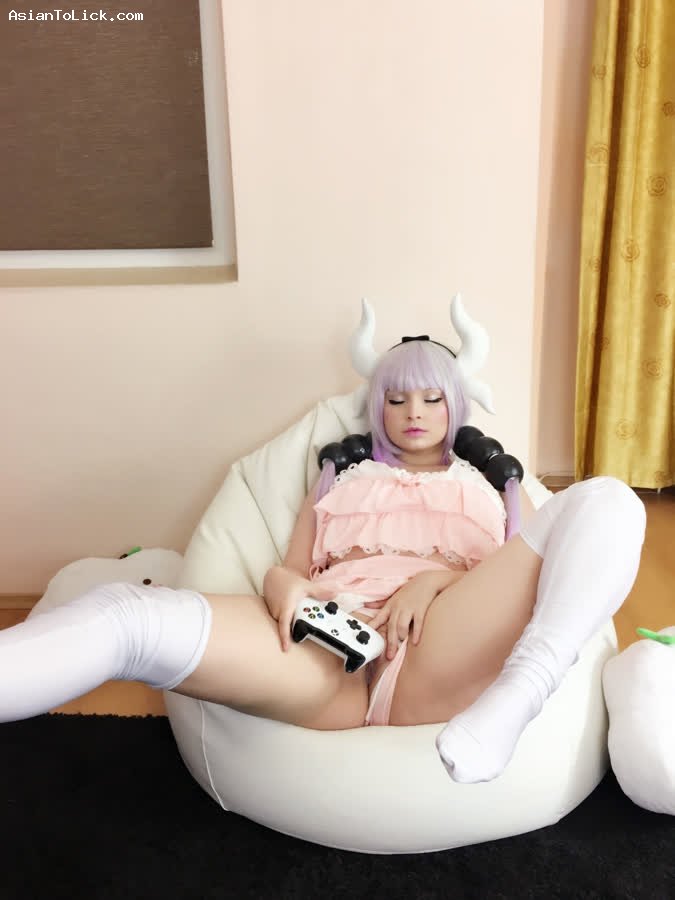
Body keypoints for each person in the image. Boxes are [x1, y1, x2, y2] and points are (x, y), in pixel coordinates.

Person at [0, 304, 646, 785]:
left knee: (608, 499)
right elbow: (290, 568)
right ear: (376, 406)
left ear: (455, 405)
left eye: (431, 399)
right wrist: (284, 589)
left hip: (443, 646)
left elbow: (521, 573)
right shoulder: (341, 473)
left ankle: (524, 691)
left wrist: (434, 582)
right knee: (126, 615)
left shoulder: (490, 482)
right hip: (332, 649)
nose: (413, 412)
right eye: (396, 399)